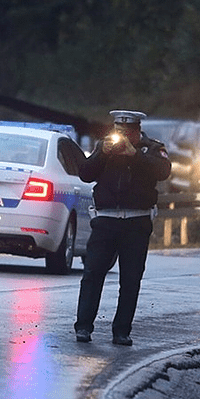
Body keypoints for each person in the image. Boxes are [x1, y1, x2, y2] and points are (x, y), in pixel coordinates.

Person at [74, 110, 172, 346]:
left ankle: (122, 331)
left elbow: (163, 172)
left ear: (137, 131)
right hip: (106, 220)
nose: (123, 137)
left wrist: (135, 155)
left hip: (136, 222)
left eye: (127, 133)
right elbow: (85, 174)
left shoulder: (152, 149)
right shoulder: (104, 147)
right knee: (92, 275)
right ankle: (84, 327)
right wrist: (102, 155)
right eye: (119, 132)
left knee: (130, 279)